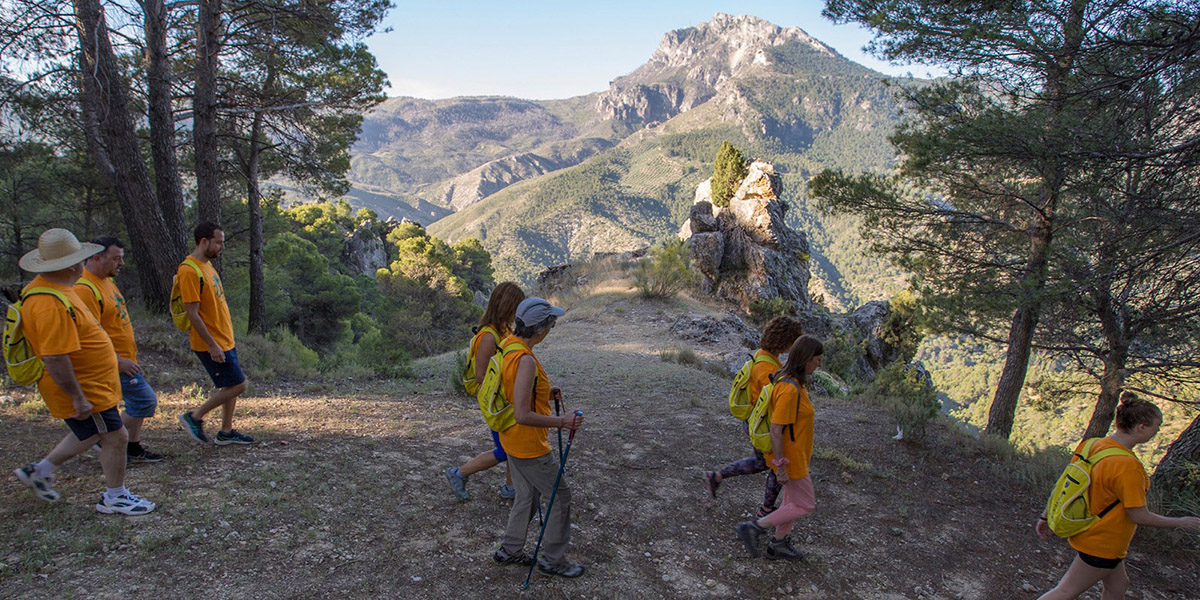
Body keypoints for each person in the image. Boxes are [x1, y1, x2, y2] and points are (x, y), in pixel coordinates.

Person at [11, 228, 156, 514]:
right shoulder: (48, 303)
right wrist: (77, 397)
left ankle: (38, 471)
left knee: (89, 432)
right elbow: (54, 357)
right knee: (116, 437)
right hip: (84, 386)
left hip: (92, 383)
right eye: (79, 259)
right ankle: (116, 496)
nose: (82, 264)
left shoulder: (57, 289)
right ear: (70, 264)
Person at [1035, 393, 1200, 600]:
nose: (1157, 432)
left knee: (1118, 586)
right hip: (1104, 542)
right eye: (1156, 427)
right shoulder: (1128, 466)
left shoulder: (1092, 445)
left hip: (1092, 532)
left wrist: (1046, 515)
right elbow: (1139, 516)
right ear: (1141, 427)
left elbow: (1066, 483)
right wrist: (1182, 523)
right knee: (1066, 591)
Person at [492, 297, 585, 578]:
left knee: (527, 495)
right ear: (541, 329)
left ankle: (509, 549)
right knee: (560, 496)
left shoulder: (509, 345)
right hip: (528, 444)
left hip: (510, 439)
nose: (551, 329)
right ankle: (553, 560)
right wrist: (562, 422)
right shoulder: (526, 361)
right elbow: (522, 413)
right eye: (551, 324)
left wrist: (545, 392)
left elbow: (516, 391)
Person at [703, 316, 804, 516]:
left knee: (761, 463)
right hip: (763, 426)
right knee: (777, 465)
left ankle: (716, 476)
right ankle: (765, 511)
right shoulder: (768, 369)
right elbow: (775, 402)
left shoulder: (762, 356)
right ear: (786, 341)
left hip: (753, 421)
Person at [75, 237, 164, 463]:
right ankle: (104, 439)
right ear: (96, 257)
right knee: (145, 401)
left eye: (121, 258)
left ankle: (132, 447)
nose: (121, 263)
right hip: (112, 362)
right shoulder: (85, 289)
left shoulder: (107, 281)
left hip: (126, 358)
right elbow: (88, 335)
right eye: (116, 258)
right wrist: (116, 360)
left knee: (137, 402)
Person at [735, 335, 823, 561]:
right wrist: (781, 466)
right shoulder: (789, 389)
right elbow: (776, 430)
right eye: (817, 359)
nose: (819, 364)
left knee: (790, 503)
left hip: (797, 457)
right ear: (806, 359)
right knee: (806, 504)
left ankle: (779, 544)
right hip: (790, 460)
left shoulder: (793, 382)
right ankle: (754, 527)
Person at [446, 281, 525, 500]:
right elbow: (482, 376)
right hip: (494, 404)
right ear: (507, 306)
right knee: (504, 450)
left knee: (510, 446)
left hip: (501, 401)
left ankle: (511, 488)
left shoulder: (502, 332)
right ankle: (459, 473)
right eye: (516, 307)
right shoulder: (489, 336)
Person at [177, 222, 251, 445]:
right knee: (240, 385)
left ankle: (226, 432)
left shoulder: (207, 266)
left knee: (231, 387)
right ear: (204, 242)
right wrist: (212, 345)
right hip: (211, 342)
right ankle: (195, 416)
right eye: (218, 242)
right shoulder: (189, 270)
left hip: (224, 338)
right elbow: (192, 313)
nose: (222, 247)